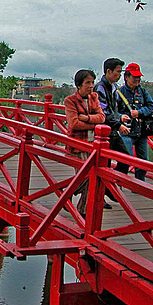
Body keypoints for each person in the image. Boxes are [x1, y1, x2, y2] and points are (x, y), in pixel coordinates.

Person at [64, 69, 108, 214]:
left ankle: (80, 208)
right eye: (87, 83)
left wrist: (87, 118)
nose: (91, 86)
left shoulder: (93, 98)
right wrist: (94, 123)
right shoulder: (70, 100)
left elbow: (102, 117)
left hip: (92, 145)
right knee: (88, 176)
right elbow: (74, 124)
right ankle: (69, 199)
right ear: (78, 85)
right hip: (77, 145)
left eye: (92, 82)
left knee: (91, 177)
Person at [116, 63, 153, 181]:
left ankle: (139, 184)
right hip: (126, 131)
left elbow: (151, 107)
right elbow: (113, 111)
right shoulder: (119, 93)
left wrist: (139, 112)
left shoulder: (143, 92)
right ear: (126, 77)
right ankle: (120, 183)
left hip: (142, 131)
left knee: (143, 161)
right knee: (126, 159)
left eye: (138, 77)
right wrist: (121, 116)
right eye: (134, 77)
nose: (137, 80)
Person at [94, 58, 131, 178]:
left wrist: (120, 117)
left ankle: (112, 187)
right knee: (105, 162)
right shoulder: (100, 88)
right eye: (118, 72)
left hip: (112, 130)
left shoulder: (114, 87)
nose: (120, 75)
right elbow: (103, 112)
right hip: (104, 131)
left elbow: (115, 108)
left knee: (125, 159)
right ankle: (108, 189)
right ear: (109, 71)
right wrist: (118, 125)